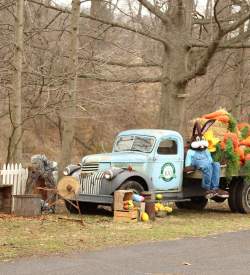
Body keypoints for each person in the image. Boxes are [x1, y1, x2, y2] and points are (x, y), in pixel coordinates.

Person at [185, 120, 229, 199]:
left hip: (207, 163)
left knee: (216, 164)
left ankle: (215, 188)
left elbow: (209, 158)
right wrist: (188, 167)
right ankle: (207, 188)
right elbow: (188, 160)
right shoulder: (191, 151)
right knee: (207, 166)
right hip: (200, 164)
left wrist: (214, 163)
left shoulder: (206, 150)